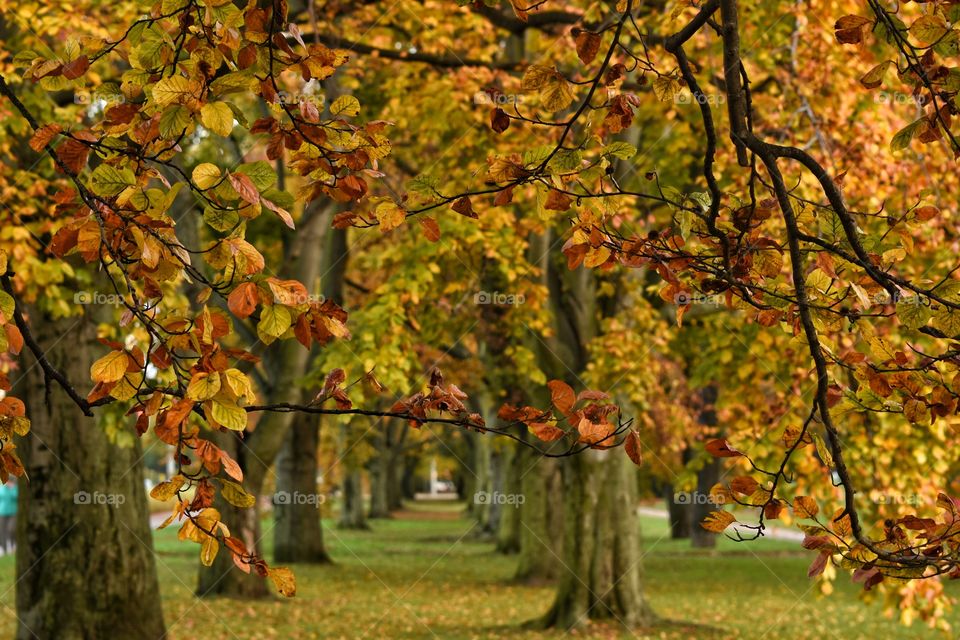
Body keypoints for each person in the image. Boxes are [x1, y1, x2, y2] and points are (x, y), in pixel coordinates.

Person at [0, 479, 18, 554]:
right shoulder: (2, 488)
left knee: (11, 529)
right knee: (2, 531)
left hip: (13, 512)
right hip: (2, 512)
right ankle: (3, 548)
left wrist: (12, 489)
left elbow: (16, 497)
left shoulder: (15, 489)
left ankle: (13, 544)